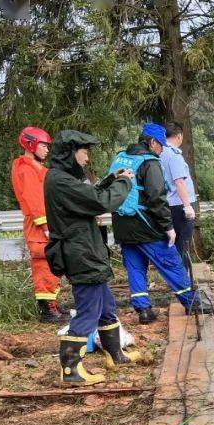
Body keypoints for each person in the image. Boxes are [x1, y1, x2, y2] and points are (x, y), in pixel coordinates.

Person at [43, 130, 136, 386]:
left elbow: (89, 196)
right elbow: (101, 202)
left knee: (106, 307)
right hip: (81, 252)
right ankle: (70, 370)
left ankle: (115, 354)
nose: (86, 157)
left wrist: (110, 179)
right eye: (83, 152)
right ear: (71, 153)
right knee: (88, 312)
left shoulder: (62, 178)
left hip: (86, 249)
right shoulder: (60, 181)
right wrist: (124, 183)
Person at [109, 123, 206, 325]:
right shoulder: (149, 162)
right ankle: (193, 303)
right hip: (145, 225)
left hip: (122, 224)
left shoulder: (120, 158)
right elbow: (157, 198)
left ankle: (143, 310)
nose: (162, 150)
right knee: (171, 262)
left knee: (135, 267)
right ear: (152, 142)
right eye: (160, 145)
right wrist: (168, 228)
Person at [11, 126, 64, 323]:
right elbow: (35, 201)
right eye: (44, 145)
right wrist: (46, 227)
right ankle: (48, 310)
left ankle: (53, 304)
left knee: (51, 264)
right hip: (39, 225)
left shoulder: (34, 167)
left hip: (45, 222)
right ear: (31, 144)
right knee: (44, 265)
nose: (47, 149)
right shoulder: (26, 169)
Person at [159, 121, 197, 261]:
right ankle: (182, 280)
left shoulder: (159, 152)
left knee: (170, 244)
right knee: (183, 245)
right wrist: (187, 206)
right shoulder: (174, 154)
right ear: (179, 136)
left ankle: (173, 278)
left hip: (165, 204)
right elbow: (179, 182)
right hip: (179, 206)